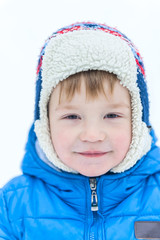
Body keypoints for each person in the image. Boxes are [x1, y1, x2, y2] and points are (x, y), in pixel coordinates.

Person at [0, 22, 160, 240]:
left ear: (136, 121)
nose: (92, 135)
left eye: (111, 116)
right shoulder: (14, 207)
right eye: (72, 117)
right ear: (46, 124)